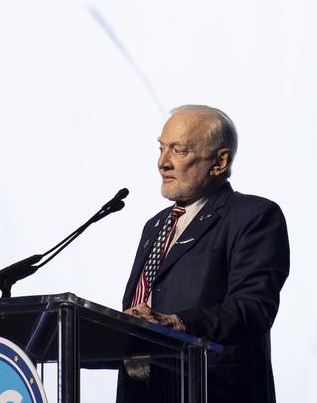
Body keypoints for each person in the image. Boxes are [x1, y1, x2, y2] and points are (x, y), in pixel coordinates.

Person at [117, 105, 291, 403]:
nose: (163, 163)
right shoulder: (155, 225)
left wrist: (177, 322)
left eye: (178, 150)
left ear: (220, 161)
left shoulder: (254, 216)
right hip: (145, 393)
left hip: (213, 390)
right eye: (161, 148)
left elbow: (252, 309)